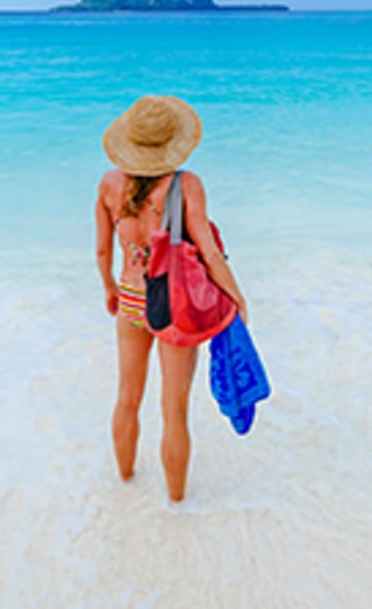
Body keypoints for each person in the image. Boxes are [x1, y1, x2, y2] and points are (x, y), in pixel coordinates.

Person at [94, 95, 248, 502]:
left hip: (130, 300)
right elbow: (210, 255)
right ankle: (176, 504)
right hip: (175, 306)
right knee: (174, 408)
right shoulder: (186, 185)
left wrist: (110, 287)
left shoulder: (110, 184)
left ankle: (124, 482)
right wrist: (238, 298)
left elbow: (102, 251)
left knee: (127, 395)